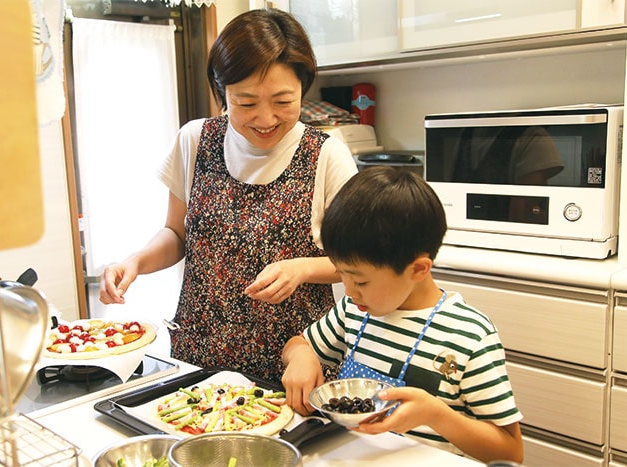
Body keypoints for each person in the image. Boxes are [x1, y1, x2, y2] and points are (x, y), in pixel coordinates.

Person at [99, 8, 358, 384]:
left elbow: (360, 262)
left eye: (283, 101)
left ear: (304, 87)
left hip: (296, 364)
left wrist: (301, 268)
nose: (266, 118)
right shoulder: (195, 140)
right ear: (222, 92)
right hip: (200, 356)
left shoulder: (326, 155)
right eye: (246, 103)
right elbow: (177, 234)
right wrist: (135, 262)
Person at [281, 168, 524, 463]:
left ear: (418, 269)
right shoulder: (354, 312)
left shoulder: (469, 336)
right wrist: (301, 357)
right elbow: (299, 343)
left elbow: (511, 451)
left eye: (360, 281)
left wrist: (435, 414)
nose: (349, 291)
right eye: (342, 275)